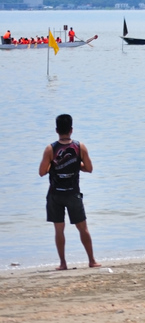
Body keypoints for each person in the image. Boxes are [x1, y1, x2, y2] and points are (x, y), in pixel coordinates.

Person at [38, 114, 100, 270]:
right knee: (83, 228)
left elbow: (42, 172)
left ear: (56, 130)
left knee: (59, 229)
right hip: (73, 193)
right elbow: (89, 168)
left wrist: (54, 165)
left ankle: (63, 263)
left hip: (55, 194)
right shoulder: (80, 147)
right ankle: (92, 260)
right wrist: (75, 164)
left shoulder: (50, 149)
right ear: (71, 130)